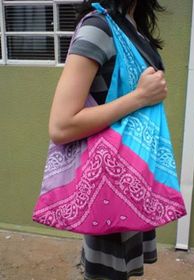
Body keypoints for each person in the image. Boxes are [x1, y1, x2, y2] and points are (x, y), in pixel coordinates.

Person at [49, 1, 168, 279]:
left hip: (130, 172)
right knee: (107, 272)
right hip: (109, 177)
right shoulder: (98, 28)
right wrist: (140, 97)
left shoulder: (128, 24)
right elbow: (61, 125)